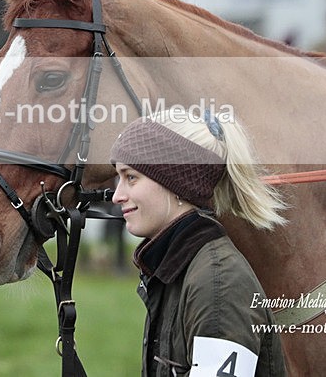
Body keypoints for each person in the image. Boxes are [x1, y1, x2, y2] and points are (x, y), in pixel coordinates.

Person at [110, 109, 287, 377]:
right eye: (118, 177)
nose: (117, 196)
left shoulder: (219, 284)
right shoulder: (177, 270)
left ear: (175, 181)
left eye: (131, 177)